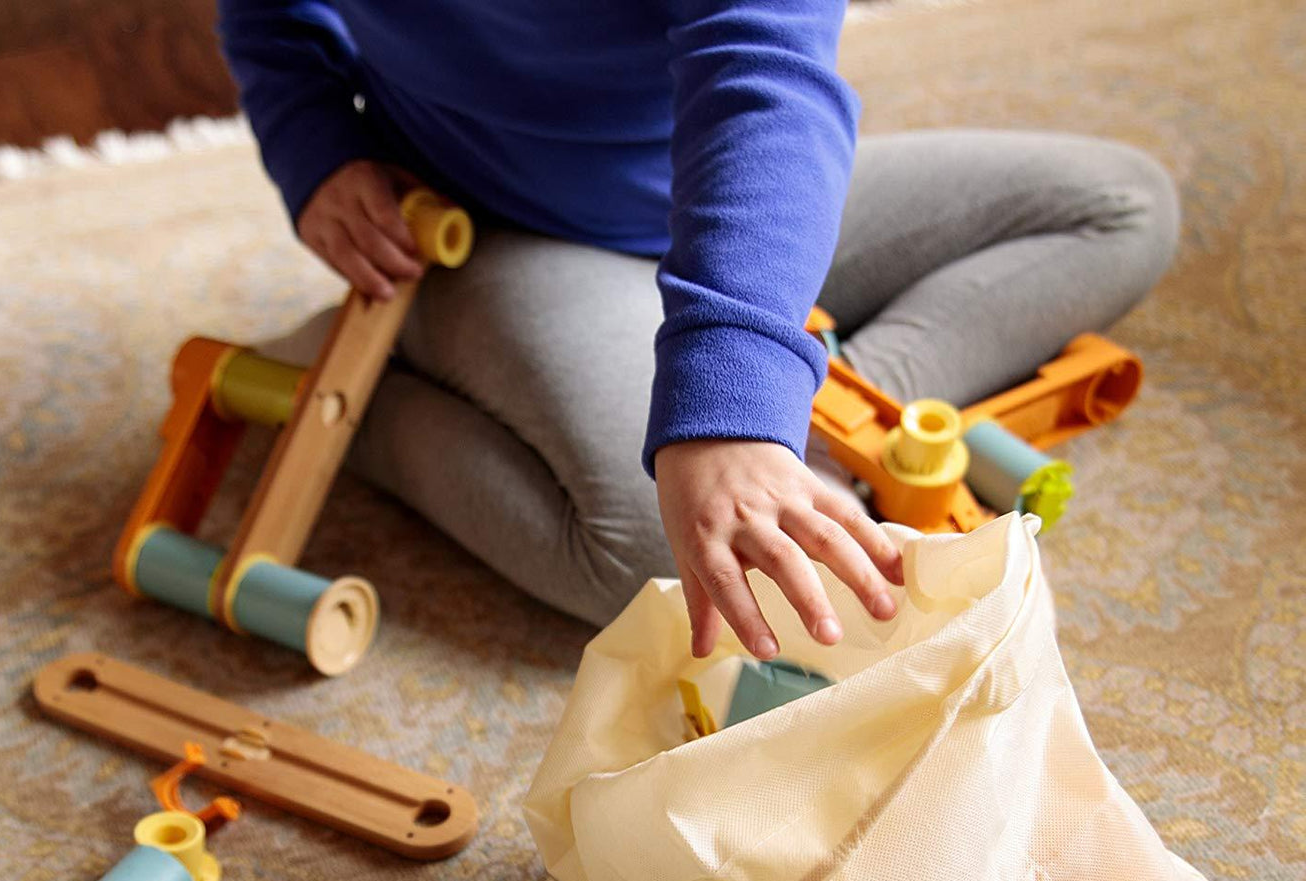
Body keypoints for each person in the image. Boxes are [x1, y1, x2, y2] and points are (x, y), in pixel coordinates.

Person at [218, 0, 1179, 657]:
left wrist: (737, 409)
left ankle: (810, 432)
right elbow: (270, 15)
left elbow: (765, 84)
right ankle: (353, 394)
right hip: (497, 230)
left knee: (1122, 207)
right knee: (659, 553)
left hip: (705, 192)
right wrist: (319, 147)